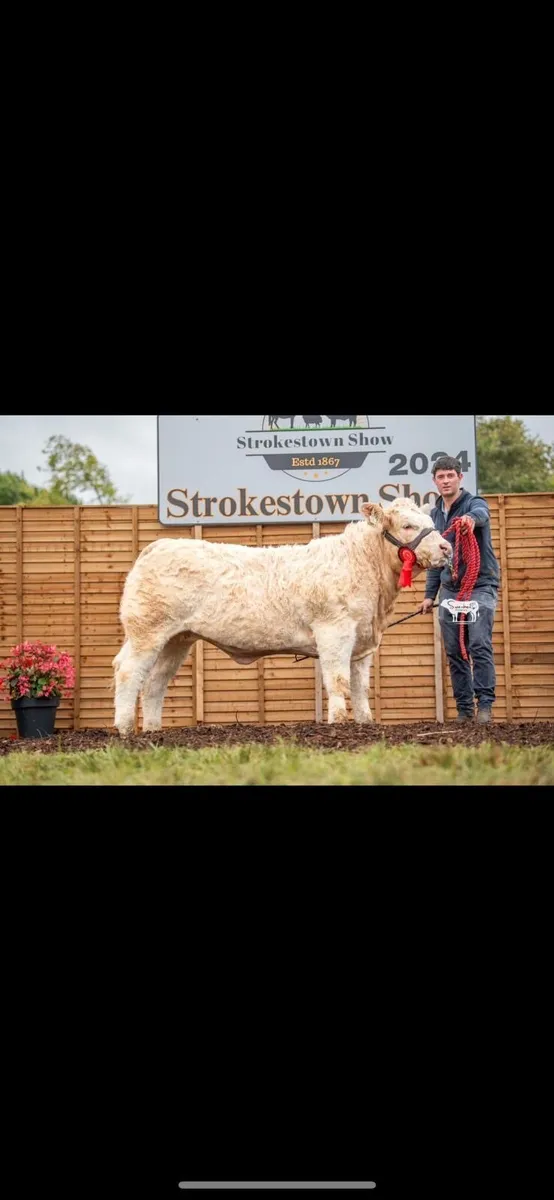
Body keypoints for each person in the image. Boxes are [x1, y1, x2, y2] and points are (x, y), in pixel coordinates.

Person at [421, 455, 501, 723]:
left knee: (478, 644)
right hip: (451, 591)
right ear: (435, 481)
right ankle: (465, 710)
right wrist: (429, 596)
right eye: (441, 477)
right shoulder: (434, 515)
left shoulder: (474, 502)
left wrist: (468, 519)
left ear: (459, 478)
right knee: (455, 650)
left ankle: (485, 707)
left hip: (480, 585)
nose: (445, 481)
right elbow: (435, 559)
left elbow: (482, 514)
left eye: (450, 476)